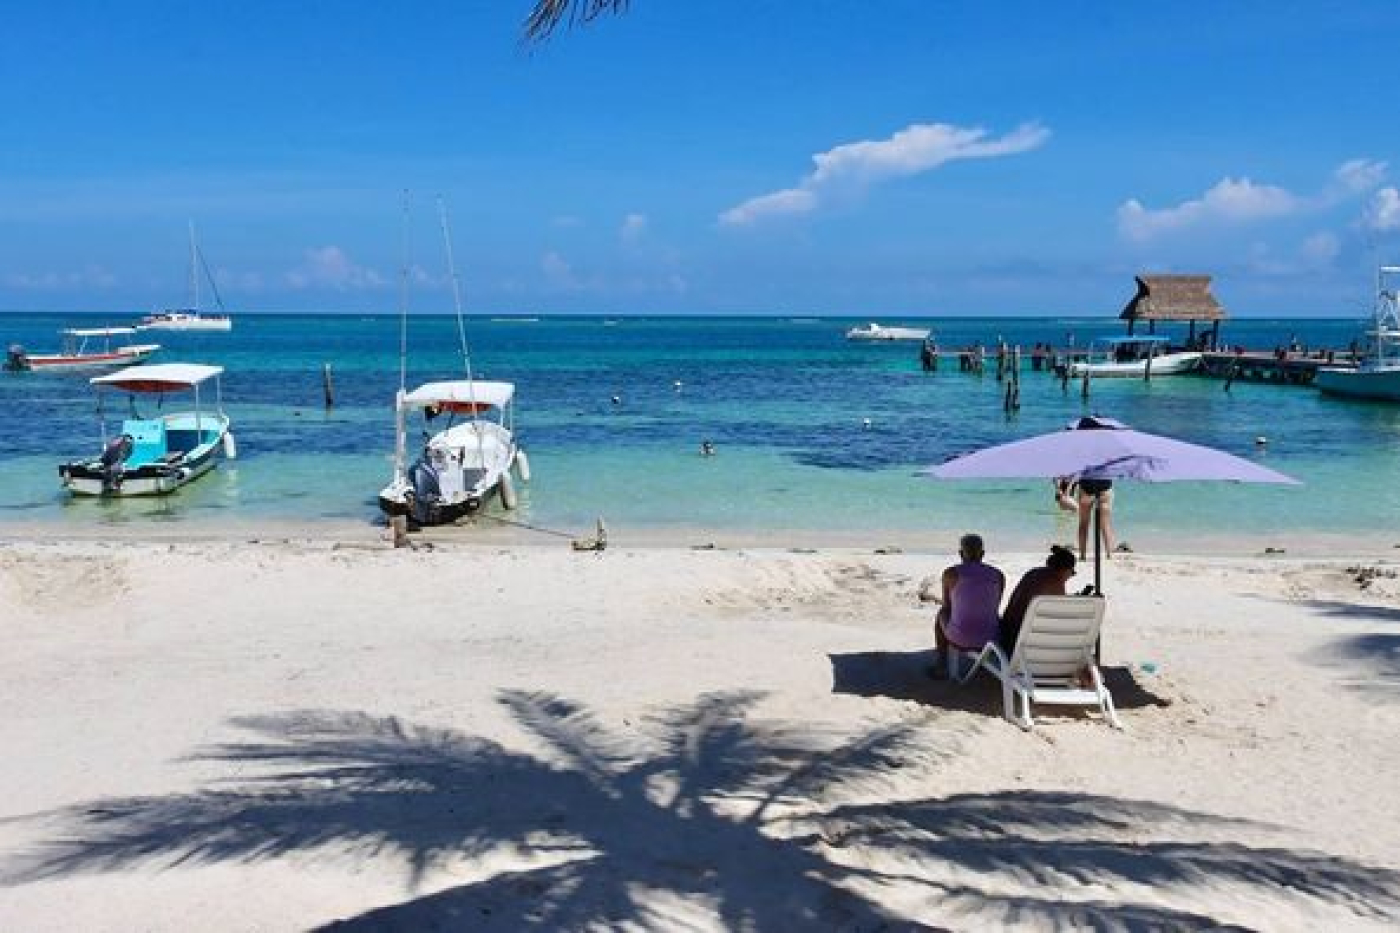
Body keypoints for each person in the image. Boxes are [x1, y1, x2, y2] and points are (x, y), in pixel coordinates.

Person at [931, 534, 1005, 676]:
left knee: (942, 613)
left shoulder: (950, 573)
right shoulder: (998, 575)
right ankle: (985, 661)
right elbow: (994, 606)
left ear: (960, 553)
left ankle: (941, 663)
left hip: (960, 639)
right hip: (991, 639)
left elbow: (947, 606)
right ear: (983, 554)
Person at [999, 545, 1077, 652]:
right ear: (1065, 570)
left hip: (1006, 637)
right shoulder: (1055, 580)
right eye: (1072, 573)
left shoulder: (1032, 573)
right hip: (1024, 646)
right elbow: (1063, 615)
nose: (1070, 577)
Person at [1076, 476, 1117, 560]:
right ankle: (1109, 554)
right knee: (1105, 524)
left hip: (1086, 486)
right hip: (1104, 486)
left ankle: (1082, 555)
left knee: (1084, 523)